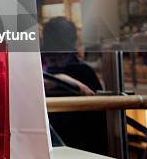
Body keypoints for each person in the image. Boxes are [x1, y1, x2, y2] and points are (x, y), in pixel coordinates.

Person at [43, 17, 108, 155]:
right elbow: (99, 122)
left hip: (45, 147)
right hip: (82, 148)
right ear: (72, 41)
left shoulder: (37, 70)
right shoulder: (83, 72)